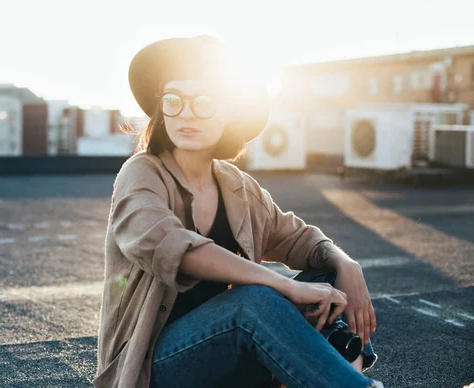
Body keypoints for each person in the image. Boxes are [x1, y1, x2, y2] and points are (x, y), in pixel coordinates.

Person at [94, 35, 383, 388]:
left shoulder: (237, 186)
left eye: (203, 102)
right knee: (254, 302)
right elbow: (167, 245)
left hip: (225, 355)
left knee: (326, 281)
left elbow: (299, 238)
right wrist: (282, 286)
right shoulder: (142, 173)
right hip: (156, 366)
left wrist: (346, 265)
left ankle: (348, 366)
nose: (186, 113)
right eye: (173, 100)